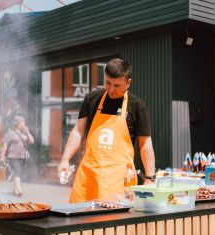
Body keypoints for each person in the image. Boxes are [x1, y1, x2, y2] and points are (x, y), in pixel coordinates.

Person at [57, 58, 156, 203]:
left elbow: (145, 144)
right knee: (78, 222)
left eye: (117, 85)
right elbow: (78, 132)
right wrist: (65, 160)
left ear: (128, 83)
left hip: (118, 179)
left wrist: (149, 177)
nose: (111, 89)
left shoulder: (137, 106)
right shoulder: (92, 99)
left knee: (111, 221)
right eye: (108, 83)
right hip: (88, 176)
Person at [0, 116, 34, 197]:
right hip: (13, 156)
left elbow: (31, 141)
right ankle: (19, 189)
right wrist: (2, 156)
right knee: (17, 171)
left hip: (22, 156)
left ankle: (15, 190)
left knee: (17, 173)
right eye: (22, 123)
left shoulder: (24, 133)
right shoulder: (11, 133)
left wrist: (27, 132)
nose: (24, 124)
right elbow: (5, 145)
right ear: (17, 124)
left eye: (24, 122)